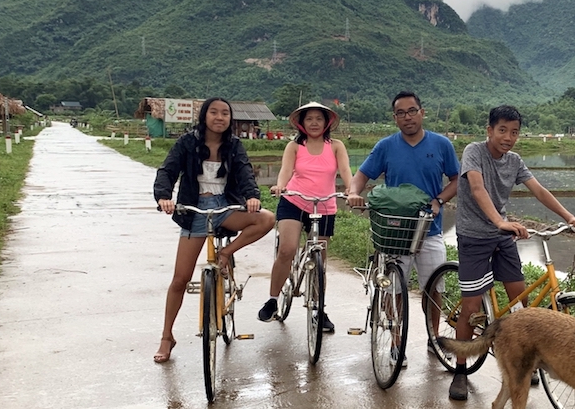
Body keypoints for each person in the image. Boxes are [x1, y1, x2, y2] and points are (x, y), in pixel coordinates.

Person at [448, 104, 575, 401]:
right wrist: (499, 220)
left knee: (520, 305)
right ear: (489, 131)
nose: (508, 137)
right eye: (502, 131)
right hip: (474, 236)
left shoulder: (515, 160)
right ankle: (460, 370)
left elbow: (539, 190)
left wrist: (568, 216)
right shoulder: (474, 151)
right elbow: (477, 188)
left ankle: (523, 361)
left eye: (514, 132)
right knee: (471, 307)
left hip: (502, 237)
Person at [152, 97, 276, 363]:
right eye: (214, 113)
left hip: (225, 208)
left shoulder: (234, 146)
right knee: (180, 279)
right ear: (204, 116)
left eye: (225, 114)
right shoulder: (187, 143)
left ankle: (225, 254)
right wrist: (164, 196)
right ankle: (166, 336)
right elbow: (167, 171)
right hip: (194, 209)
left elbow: (245, 174)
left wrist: (252, 196)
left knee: (266, 219)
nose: (220, 118)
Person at [347, 91, 460, 366]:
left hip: (429, 229)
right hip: (395, 230)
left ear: (422, 112)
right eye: (401, 113)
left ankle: (434, 340)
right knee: (393, 288)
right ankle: (397, 341)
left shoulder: (441, 144)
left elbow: (457, 179)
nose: (407, 117)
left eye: (412, 111)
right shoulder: (386, 146)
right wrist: (353, 192)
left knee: (434, 289)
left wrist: (439, 199)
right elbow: (362, 174)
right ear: (395, 117)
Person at [259, 102, 353, 330]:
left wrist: (352, 190)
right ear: (301, 123)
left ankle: (319, 309)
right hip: (294, 201)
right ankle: (273, 300)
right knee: (287, 249)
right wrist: (280, 186)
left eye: (318, 119)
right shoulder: (294, 146)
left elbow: (346, 171)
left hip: (325, 205)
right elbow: (286, 170)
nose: (313, 123)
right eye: (309, 119)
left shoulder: (336, 146)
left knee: (320, 262)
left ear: (326, 122)